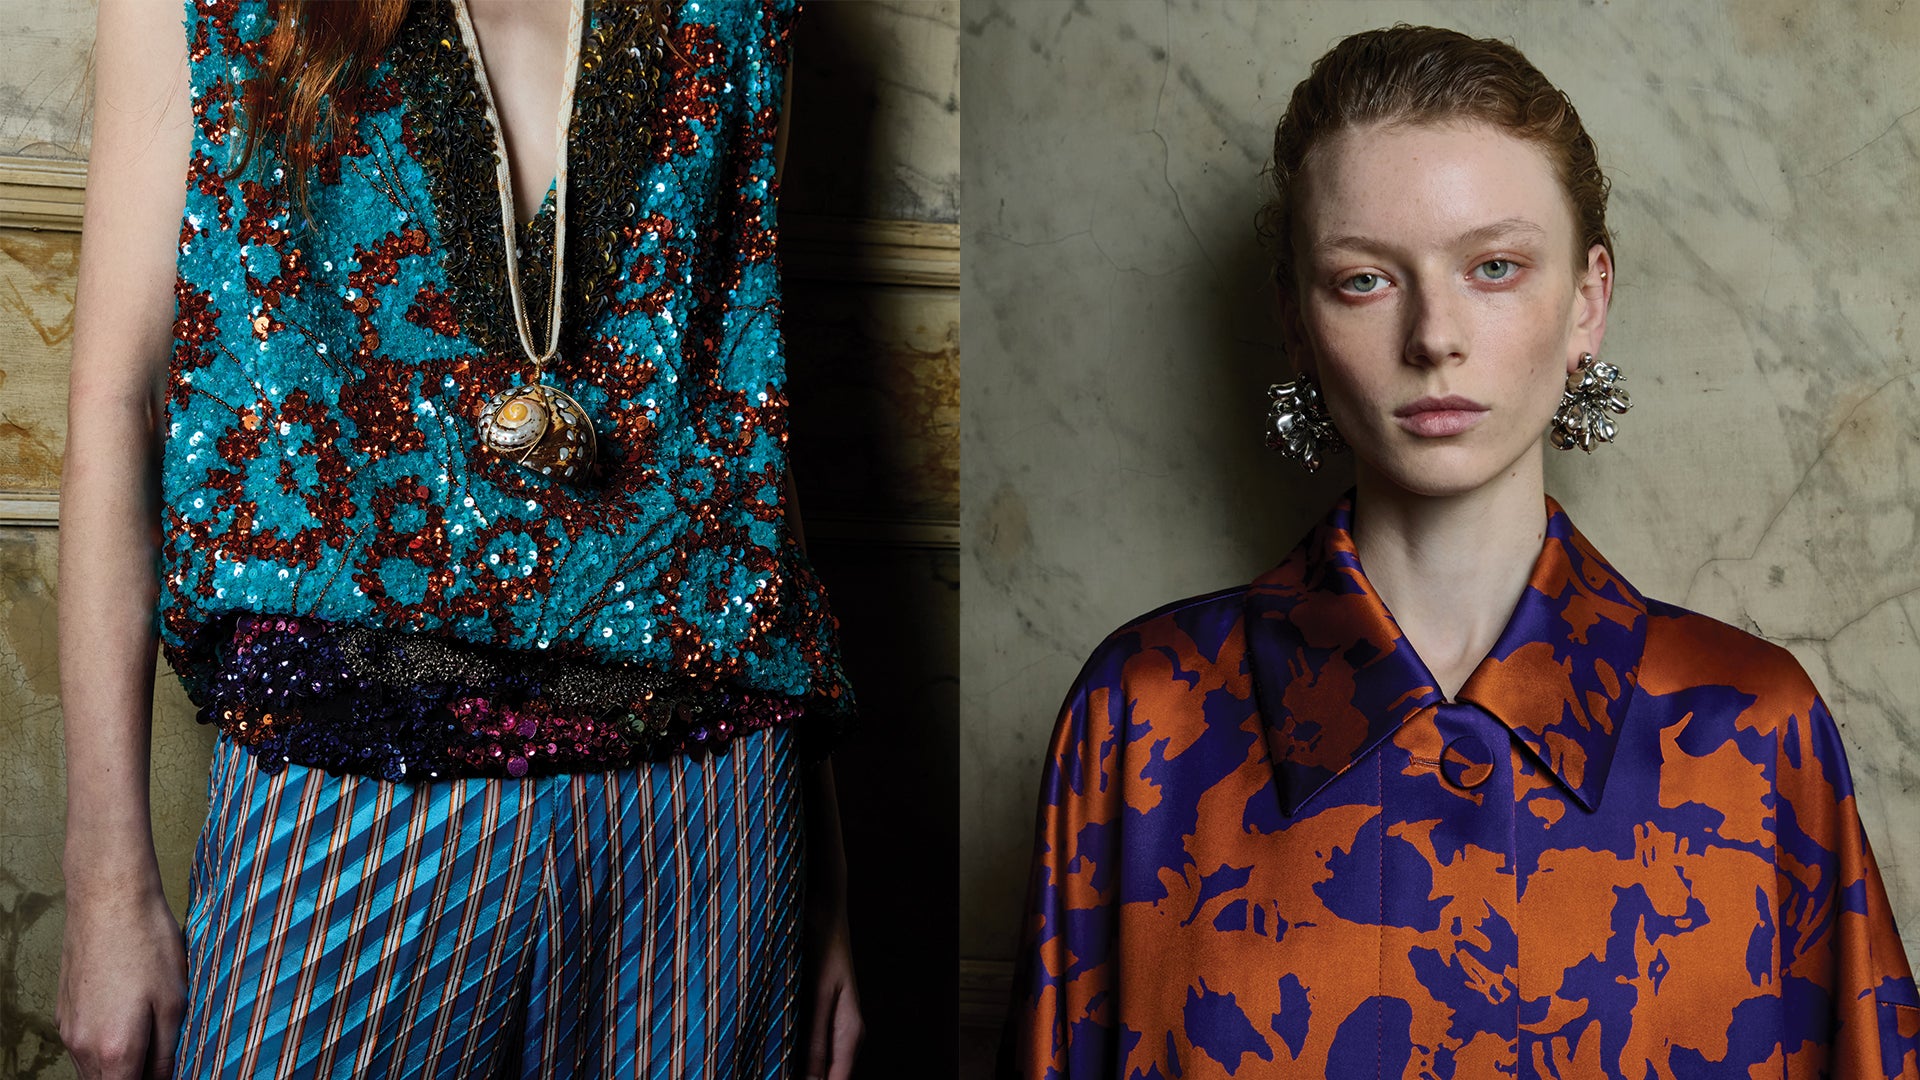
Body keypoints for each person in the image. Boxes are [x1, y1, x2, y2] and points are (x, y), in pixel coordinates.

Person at [1000, 24, 1920, 1079]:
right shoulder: (1144, 715)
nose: (1435, 335)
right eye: (1364, 280)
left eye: (1493, 266)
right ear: (1296, 325)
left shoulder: (1755, 732)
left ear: (1587, 300)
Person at [57, 0, 863, 1076]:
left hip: (709, 813)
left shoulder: (739, 12)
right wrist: (107, 889)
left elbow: (746, 433)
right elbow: (122, 406)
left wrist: (830, 879)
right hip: (349, 790)